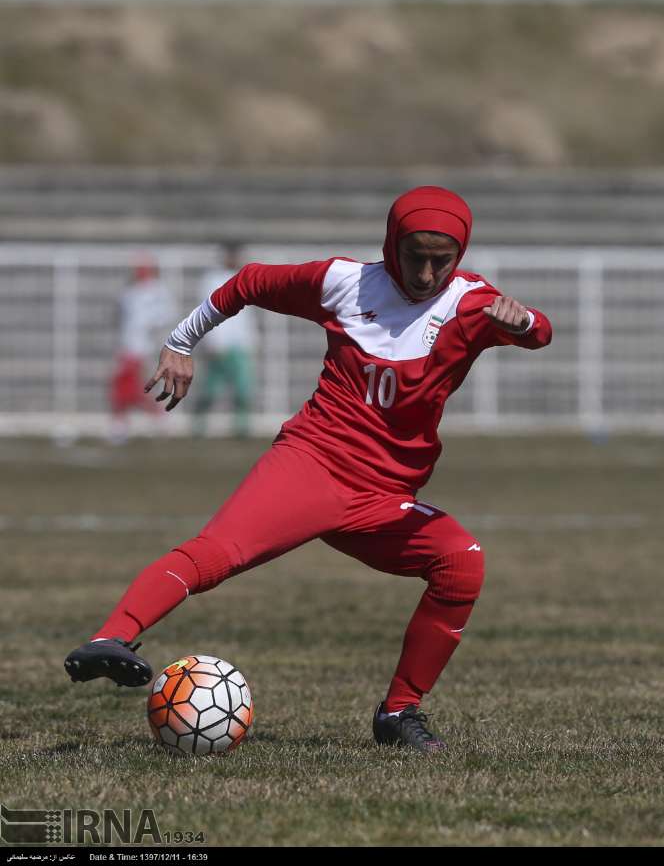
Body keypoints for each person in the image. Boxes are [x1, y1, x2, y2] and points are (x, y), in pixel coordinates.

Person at [65, 186, 553, 753]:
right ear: (391, 243)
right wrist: (181, 340)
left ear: (460, 254)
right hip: (313, 464)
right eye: (413, 255)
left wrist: (522, 322)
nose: (425, 272)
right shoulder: (343, 281)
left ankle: (398, 713)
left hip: (383, 495)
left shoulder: (471, 302)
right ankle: (109, 640)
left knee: (461, 563)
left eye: (440, 260)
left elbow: (539, 332)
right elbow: (246, 282)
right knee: (215, 555)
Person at [191, 243, 257, 438]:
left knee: (243, 389)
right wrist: (211, 341)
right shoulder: (212, 279)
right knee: (210, 390)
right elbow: (205, 312)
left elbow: (248, 315)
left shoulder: (246, 278)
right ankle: (198, 426)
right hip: (219, 345)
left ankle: (242, 429)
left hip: (240, 344)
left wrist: (251, 339)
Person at [108, 257, 176, 444]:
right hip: (127, 345)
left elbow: (166, 314)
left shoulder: (157, 290)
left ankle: (134, 420)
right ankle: (151, 417)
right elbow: (121, 315)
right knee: (124, 387)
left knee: (125, 387)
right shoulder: (130, 291)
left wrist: (150, 324)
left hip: (140, 347)